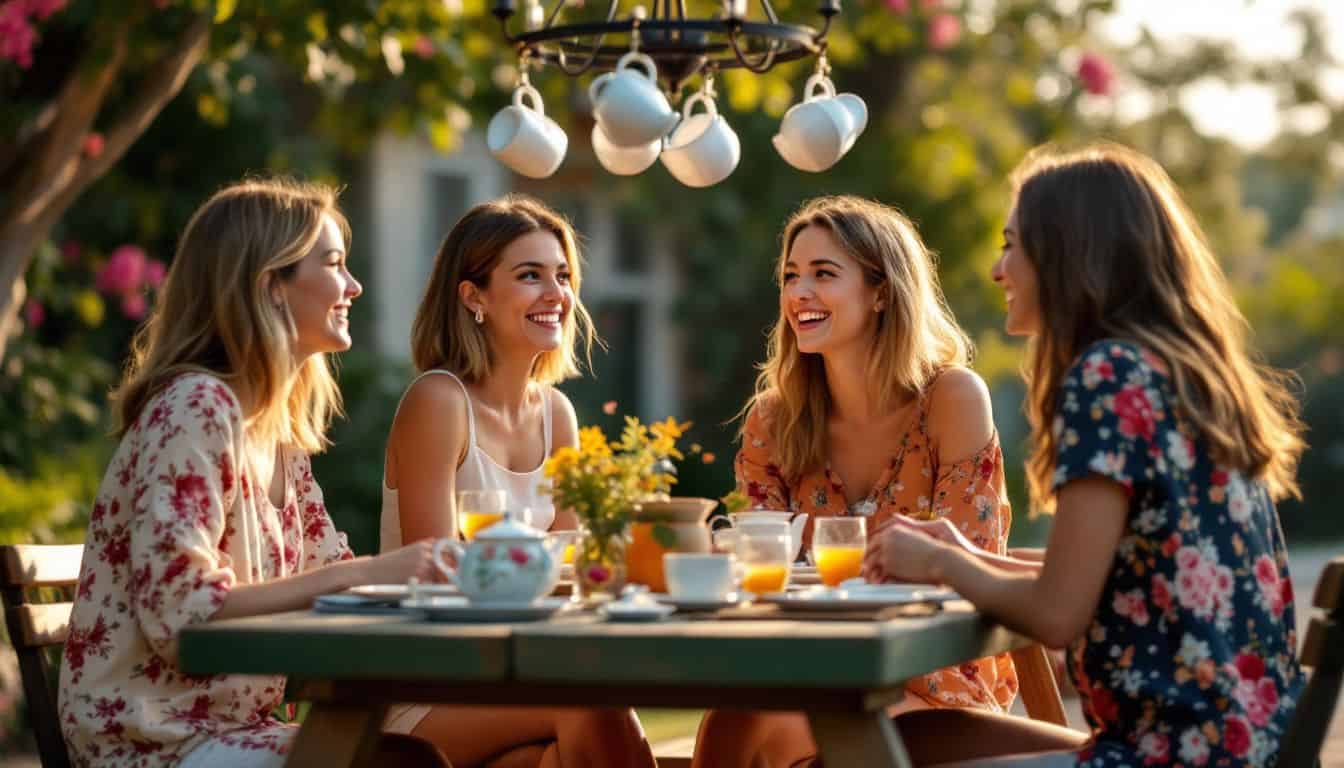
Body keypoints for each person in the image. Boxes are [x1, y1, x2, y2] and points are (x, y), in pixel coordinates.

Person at [865, 143, 1307, 767]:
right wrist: (964, 554)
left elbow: (1056, 614)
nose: (999, 269)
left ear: (1070, 254)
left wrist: (938, 563)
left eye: (1013, 244)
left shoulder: (1109, 378)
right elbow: (1107, 583)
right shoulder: (1188, 377)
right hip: (1243, 748)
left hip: (1166, 757)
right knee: (909, 740)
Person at [57, 179, 441, 768]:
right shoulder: (195, 409)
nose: (354, 286)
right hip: (153, 741)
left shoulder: (275, 432)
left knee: (425, 759)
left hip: (229, 729)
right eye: (335, 264)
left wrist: (445, 580)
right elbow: (178, 611)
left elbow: (329, 573)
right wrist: (372, 573)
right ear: (271, 287)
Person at [694, 195, 1085, 768]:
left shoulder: (951, 399)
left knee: (747, 728)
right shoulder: (772, 421)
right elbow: (756, 573)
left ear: (881, 292)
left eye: (824, 274)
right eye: (791, 276)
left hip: (930, 682)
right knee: (738, 722)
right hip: (806, 678)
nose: (799, 293)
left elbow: (964, 568)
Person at [379, 194, 655, 768]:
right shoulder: (439, 400)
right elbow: (434, 573)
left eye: (562, 276)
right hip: (430, 688)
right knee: (595, 711)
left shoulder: (556, 415)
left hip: (523, 679)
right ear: (473, 296)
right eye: (530, 276)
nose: (555, 295)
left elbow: (576, 568)